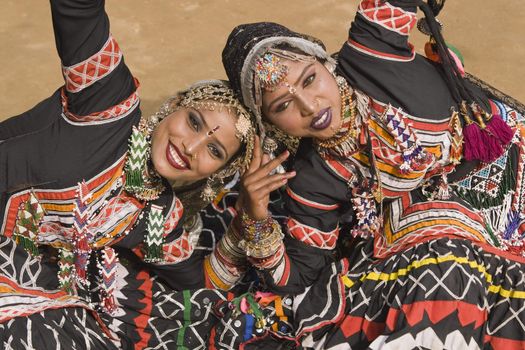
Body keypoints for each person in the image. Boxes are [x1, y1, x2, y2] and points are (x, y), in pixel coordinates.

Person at [218, 0, 525, 348]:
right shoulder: (312, 176)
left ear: (325, 63)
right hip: (434, 219)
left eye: (309, 79)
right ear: (270, 124)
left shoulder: (370, 54)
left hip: (510, 167)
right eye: (282, 106)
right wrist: (254, 217)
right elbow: (297, 275)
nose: (309, 105)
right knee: (440, 257)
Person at [0, 0, 264, 348]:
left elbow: (198, 283)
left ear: (220, 171)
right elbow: (78, 12)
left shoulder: (159, 216)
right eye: (194, 122)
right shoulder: (108, 106)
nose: (191, 147)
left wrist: (251, 216)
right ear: (173, 106)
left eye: (214, 151)